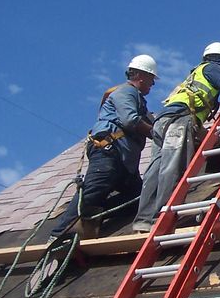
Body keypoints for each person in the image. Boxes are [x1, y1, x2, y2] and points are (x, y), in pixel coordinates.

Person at [132, 42, 220, 232]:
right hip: (179, 121)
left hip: (162, 122)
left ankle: (144, 220)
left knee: (155, 170)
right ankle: (162, 217)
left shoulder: (194, 74)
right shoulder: (213, 69)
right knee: (173, 167)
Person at [50, 54, 158, 239]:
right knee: (93, 190)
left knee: (139, 198)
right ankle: (58, 235)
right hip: (109, 152)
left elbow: (151, 121)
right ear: (141, 75)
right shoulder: (126, 92)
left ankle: (93, 214)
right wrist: (158, 135)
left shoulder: (139, 100)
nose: (153, 84)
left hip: (125, 163)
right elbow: (130, 120)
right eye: (151, 78)